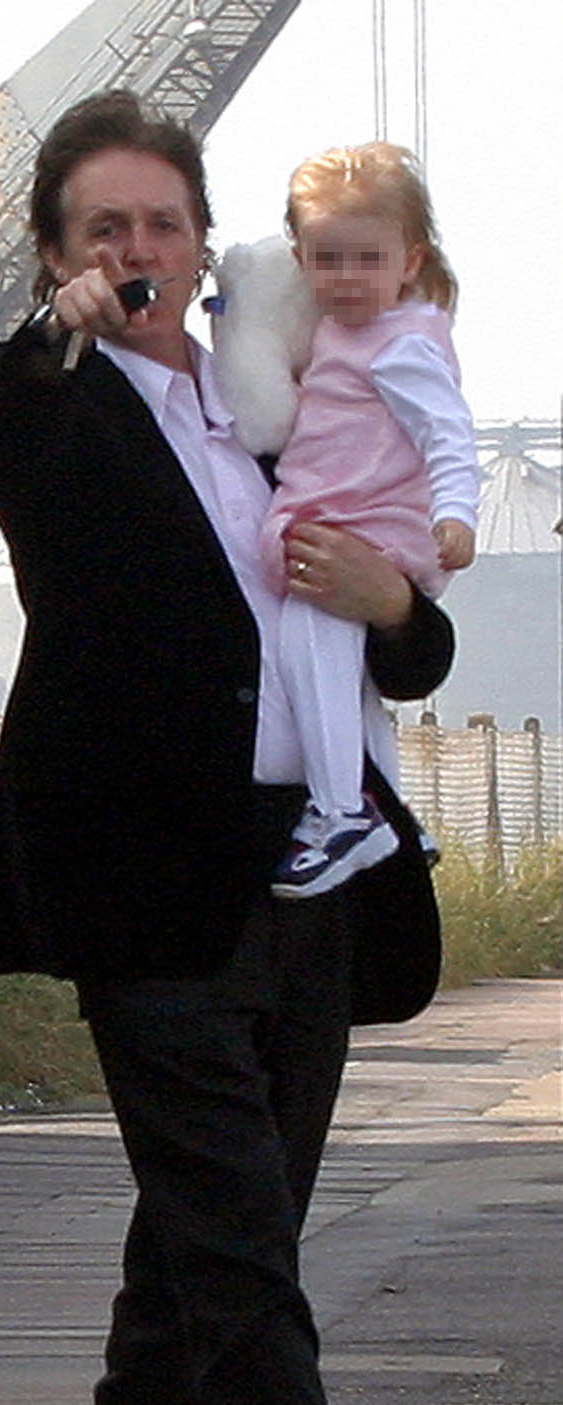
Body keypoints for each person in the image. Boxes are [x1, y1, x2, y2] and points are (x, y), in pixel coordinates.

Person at [0, 90, 473, 1405]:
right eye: (104, 228)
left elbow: (402, 630)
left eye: (164, 222)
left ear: (204, 236)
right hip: (149, 894)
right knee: (240, 1255)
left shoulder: (272, 394)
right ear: (58, 255)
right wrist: (59, 334)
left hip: (308, 880)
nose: (141, 250)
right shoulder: (60, 405)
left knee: (198, 1263)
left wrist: (395, 600)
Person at [250, 143, 476, 897]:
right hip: (351, 517)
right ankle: (393, 810)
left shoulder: (402, 343)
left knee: (308, 647)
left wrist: (456, 514)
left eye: (366, 260)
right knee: (351, 688)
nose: (345, 279)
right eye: (327, 259)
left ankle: (342, 810)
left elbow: (448, 432)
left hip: (362, 526)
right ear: (301, 258)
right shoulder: (348, 332)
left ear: (409, 261)